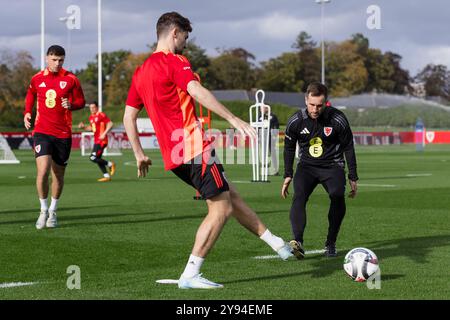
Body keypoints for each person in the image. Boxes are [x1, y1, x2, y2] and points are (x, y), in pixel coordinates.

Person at [123, 11, 293, 289]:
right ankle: (191, 273)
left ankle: (277, 245)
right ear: (174, 32)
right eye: (185, 37)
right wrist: (234, 119)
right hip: (191, 145)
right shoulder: (175, 61)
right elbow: (195, 90)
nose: (186, 44)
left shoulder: (140, 72)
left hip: (174, 155)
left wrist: (139, 152)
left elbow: (129, 116)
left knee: (229, 195)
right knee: (221, 209)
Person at [281, 82, 358, 259]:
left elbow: (348, 146)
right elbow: (289, 148)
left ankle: (330, 243)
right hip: (307, 167)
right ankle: (297, 242)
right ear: (306, 100)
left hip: (333, 166)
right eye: (311, 104)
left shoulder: (338, 118)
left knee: (337, 195)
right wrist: (288, 174)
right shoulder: (296, 121)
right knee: (299, 195)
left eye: (319, 105)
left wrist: (353, 176)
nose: (315, 109)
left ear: (326, 102)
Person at [24, 45, 85, 229]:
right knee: (42, 172)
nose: (58, 63)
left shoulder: (71, 79)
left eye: (61, 60)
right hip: (42, 131)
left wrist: (71, 104)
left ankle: (53, 210)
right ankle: (42, 210)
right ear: (46, 58)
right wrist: (27, 112)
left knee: (57, 174)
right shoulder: (37, 78)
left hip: (63, 134)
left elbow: (81, 101)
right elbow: (30, 94)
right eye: (54, 60)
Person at [78, 102, 116, 182]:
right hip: (96, 141)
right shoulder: (91, 117)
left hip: (102, 141)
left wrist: (104, 133)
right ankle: (106, 176)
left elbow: (110, 124)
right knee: (97, 158)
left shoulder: (101, 115)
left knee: (93, 158)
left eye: (93, 107)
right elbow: (92, 129)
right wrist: (83, 127)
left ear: (97, 107)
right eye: (90, 108)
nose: (91, 109)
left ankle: (110, 164)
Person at [261, 104, 280, 175]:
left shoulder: (273, 116)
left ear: (267, 108)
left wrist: (274, 135)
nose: (261, 109)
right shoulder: (260, 117)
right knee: (263, 154)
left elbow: (276, 126)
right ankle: (264, 170)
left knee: (273, 153)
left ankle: (275, 170)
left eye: (262, 108)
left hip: (270, 137)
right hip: (262, 137)